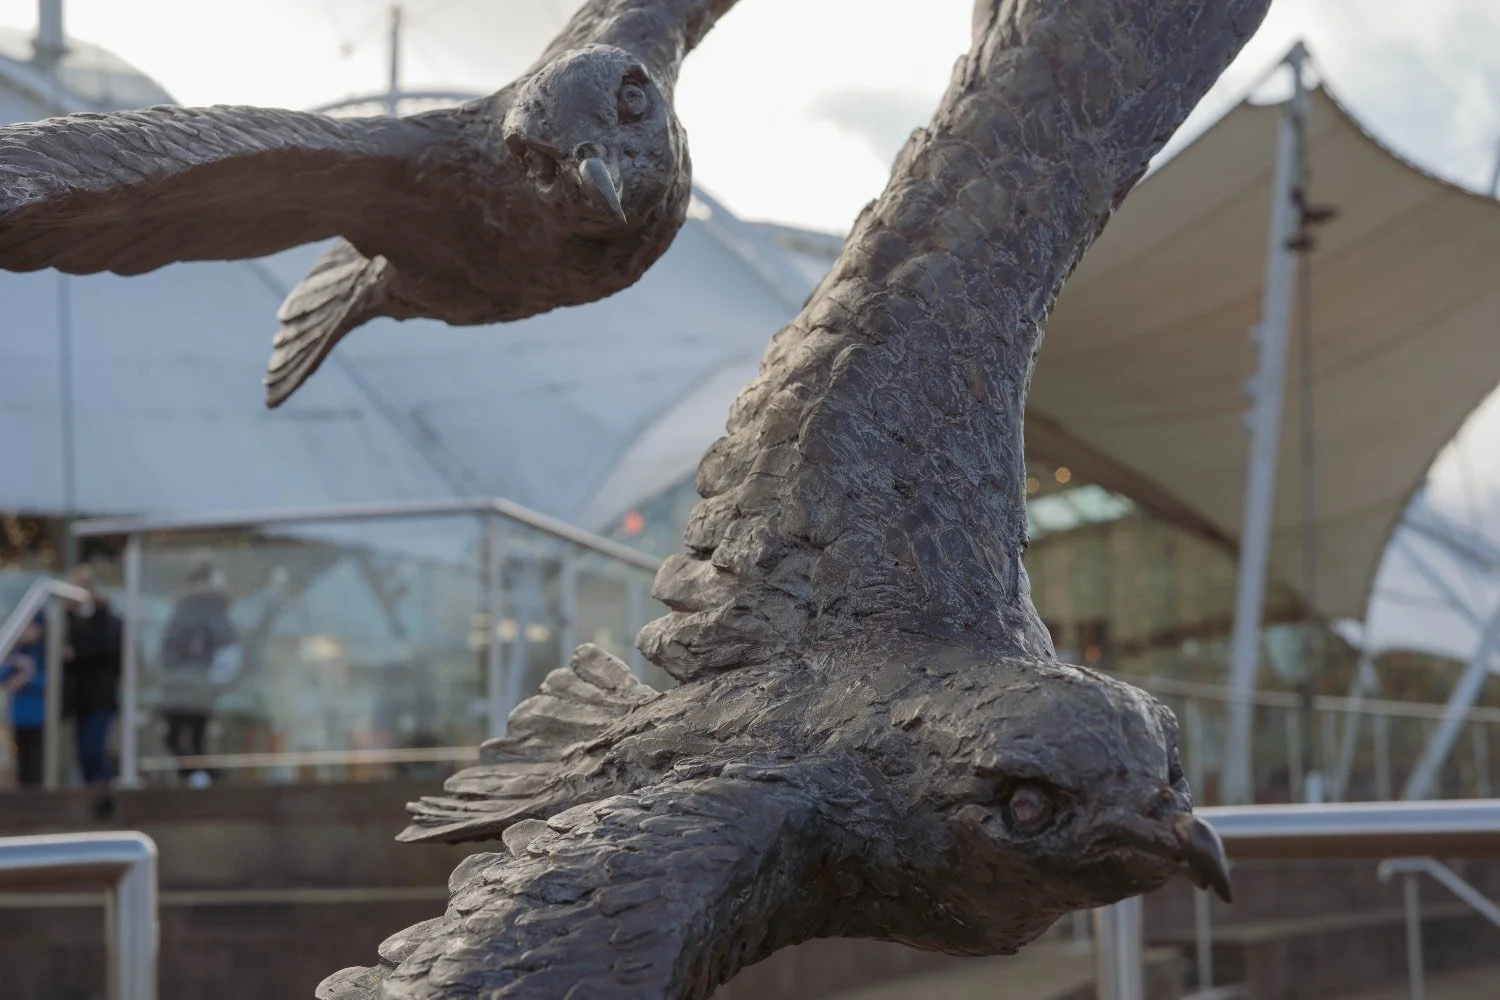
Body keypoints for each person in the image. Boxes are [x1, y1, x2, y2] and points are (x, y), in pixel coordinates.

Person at [159, 559, 236, 788]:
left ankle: (199, 775)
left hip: (195, 685)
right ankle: (199, 774)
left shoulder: (202, 609)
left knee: (188, 735)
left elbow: (224, 645)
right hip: (188, 685)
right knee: (187, 736)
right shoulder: (195, 609)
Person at [64, 565, 123, 790]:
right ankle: (92, 791)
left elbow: (106, 649)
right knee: (82, 751)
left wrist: (75, 653)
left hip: (101, 695)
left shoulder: (105, 617)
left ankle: (103, 792)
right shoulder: (69, 617)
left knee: (94, 747)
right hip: (79, 697)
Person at [1, 615, 47, 788]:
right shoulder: (16, 652)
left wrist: (27, 677)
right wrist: (14, 665)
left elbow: (53, 680)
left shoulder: (45, 651)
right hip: (18, 715)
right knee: (22, 759)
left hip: (39, 716)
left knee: (36, 759)